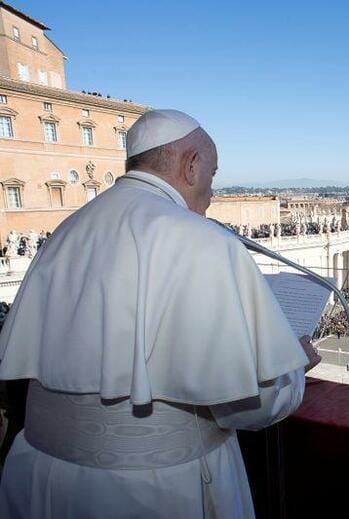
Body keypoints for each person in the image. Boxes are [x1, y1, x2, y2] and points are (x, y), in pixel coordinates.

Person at [0, 109, 321, 518]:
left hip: (40, 478)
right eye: (213, 173)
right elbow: (248, 403)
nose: (212, 191)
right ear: (191, 165)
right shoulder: (202, 240)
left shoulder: (66, 232)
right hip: (154, 489)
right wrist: (292, 371)